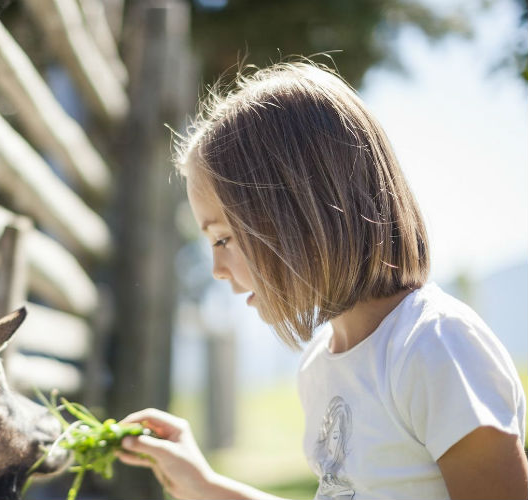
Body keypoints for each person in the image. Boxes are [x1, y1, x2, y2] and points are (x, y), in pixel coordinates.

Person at [116, 61, 528, 500]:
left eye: (223, 238)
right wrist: (204, 484)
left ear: (298, 215)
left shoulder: (434, 347)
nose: (217, 269)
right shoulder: (321, 366)